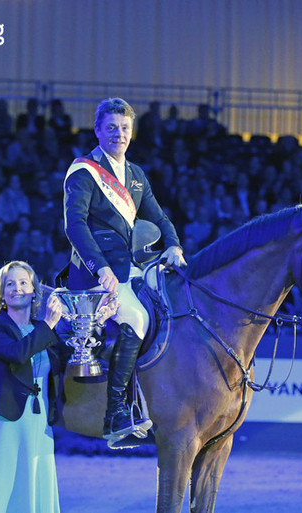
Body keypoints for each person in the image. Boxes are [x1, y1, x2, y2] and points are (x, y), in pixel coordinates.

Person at [62, 97, 185, 444]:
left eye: (125, 128)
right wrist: (99, 267)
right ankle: (116, 413)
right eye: (112, 128)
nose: (119, 134)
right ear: (98, 130)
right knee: (137, 319)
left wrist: (173, 244)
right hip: (97, 272)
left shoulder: (135, 175)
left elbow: (158, 218)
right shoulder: (83, 171)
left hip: (133, 269)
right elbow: (75, 225)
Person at [0, 261, 64, 513]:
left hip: (38, 421)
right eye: (10, 284)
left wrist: (95, 324)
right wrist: (49, 325)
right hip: (7, 420)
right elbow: (17, 354)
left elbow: (66, 360)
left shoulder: (39, 329)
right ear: (2, 293)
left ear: (33, 291)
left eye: (23, 283)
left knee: (33, 488)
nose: (17, 288)